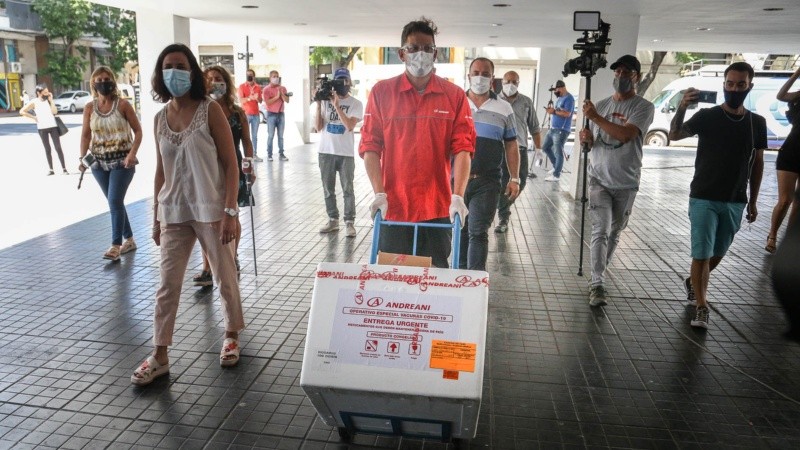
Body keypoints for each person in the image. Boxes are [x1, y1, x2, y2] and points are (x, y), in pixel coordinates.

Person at [131, 43, 244, 386]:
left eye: (180, 65)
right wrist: (154, 216)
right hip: (173, 211)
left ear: (192, 71)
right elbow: (160, 171)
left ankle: (231, 334)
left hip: (211, 210)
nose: (174, 72)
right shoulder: (158, 118)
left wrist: (230, 212)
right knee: (168, 285)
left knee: (225, 277)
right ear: (160, 74)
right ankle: (160, 354)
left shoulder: (210, 111)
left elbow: (231, 164)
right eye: (168, 66)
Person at [359, 17, 475, 268]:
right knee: (393, 274)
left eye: (427, 48)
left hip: (437, 206)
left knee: (435, 277)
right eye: (413, 48)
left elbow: (464, 148)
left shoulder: (454, 96)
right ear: (401, 54)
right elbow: (370, 146)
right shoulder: (382, 93)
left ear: (436, 53)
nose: (420, 54)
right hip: (394, 206)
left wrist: (458, 196)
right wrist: (379, 192)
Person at [668, 61, 766, 329]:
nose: (734, 89)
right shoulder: (708, 116)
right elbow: (675, 134)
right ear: (724, 85)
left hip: (735, 199)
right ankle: (702, 306)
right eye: (730, 84)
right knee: (701, 253)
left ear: (749, 86)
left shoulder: (756, 123)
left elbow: (757, 163)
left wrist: (753, 200)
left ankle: (693, 282)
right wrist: (682, 106)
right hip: (703, 196)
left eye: (740, 85)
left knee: (717, 253)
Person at [579, 54, 655, 307]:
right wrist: (586, 138)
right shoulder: (599, 105)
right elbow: (594, 141)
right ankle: (598, 281)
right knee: (600, 229)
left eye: (627, 72)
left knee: (614, 232)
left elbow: (626, 135)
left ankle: (597, 273)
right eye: (617, 72)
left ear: (636, 77)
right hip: (598, 178)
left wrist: (596, 117)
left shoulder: (643, 107)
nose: (621, 76)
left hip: (626, 180)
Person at [191, 65, 258, 287]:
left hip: (233, 167)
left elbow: (247, 140)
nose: (213, 83)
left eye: (218, 79)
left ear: (226, 83)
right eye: (208, 79)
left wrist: (249, 163)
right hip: (207, 170)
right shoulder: (199, 110)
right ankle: (207, 267)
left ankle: (232, 257)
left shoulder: (237, 111)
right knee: (205, 218)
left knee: (232, 215)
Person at [78, 66, 143, 261]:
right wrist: (82, 158)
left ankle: (116, 245)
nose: (103, 82)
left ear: (112, 82)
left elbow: (138, 131)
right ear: (93, 83)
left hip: (122, 162)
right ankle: (129, 240)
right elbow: (85, 135)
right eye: (99, 79)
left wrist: (132, 154)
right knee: (115, 202)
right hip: (98, 163)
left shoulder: (123, 105)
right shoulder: (90, 108)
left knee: (114, 201)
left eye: (107, 78)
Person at [460, 57, 519, 270]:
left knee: (477, 231)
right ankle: (459, 280)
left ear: (493, 78)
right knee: (460, 231)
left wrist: (514, 178)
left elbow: (512, 145)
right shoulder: (457, 103)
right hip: (456, 180)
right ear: (468, 76)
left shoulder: (504, 108)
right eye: (476, 73)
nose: (480, 77)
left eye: (485, 74)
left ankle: (474, 283)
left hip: (487, 181)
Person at [314, 68, 364, 238]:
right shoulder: (326, 101)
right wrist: (319, 102)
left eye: (345, 81)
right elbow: (318, 127)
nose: (343, 84)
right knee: (328, 189)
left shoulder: (356, 104)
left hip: (346, 153)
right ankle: (332, 220)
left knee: (348, 189)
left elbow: (350, 126)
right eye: (339, 81)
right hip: (325, 152)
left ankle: (349, 222)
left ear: (349, 82)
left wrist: (336, 105)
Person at [496, 70, 542, 233]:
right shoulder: (494, 101)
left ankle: (502, 206)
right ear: (502, 82)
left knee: (519, 181)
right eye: (508, 81)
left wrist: (538, 149)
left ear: (518, 83)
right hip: (499, 148)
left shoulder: (526, 102)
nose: (511, 85)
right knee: (502, 183)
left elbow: (535, 127)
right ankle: (503, 216)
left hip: (520, 149)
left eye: (514, 82)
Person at [765, 66, 800, 253]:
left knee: (798, 202)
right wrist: (796, 74)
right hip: (792, 151)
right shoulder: (798, 96)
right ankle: (772, 235)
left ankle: (789, 241)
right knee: (785, 200)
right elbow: (781, 95)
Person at [20, 84, 68, 175]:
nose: (47, 93)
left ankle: (64, 169)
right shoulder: (34, 102)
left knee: (58, 147)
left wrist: (51, 101)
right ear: (39, 93)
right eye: (45, 92)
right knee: (47, 149)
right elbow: (22, 111)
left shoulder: (49, 100)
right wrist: (34, 117)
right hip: (42, 128)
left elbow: (55, 112)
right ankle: (51, 170)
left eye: (47, 91)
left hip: (53, 126)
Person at [542, 80, 574, 182]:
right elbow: (557, 111)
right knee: (545, 147)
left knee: (558, 153)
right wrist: (552, 111)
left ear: (561, 87)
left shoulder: (569, 99)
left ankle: (556, 175)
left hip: (561, 130)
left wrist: (554, 111)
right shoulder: (560, 98)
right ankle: (556, 166)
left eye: (556, 89)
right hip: (553, 129)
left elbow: (567, 114)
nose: (555, 91)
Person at [262, 70, 290, 161]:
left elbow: (287, 100)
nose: (276, 78)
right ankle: (269, 154)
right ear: (270, 78)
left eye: (277, 76)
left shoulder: (283, 88)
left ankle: (281, 154)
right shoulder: (266, 89)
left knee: (281, 136)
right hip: (271, 115)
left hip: (281, 114)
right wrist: (277, 97)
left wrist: (282, 94)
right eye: (274, 76)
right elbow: (267, 102)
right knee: (270, 135)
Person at [237, 68, 263, 161]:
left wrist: (257, 98)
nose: (249, 76)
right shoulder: (241, 86)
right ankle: (246, 156)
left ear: (253, 76)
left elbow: (261, 101)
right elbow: (240, 100)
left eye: (251, 74)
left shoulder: (258, 87)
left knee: (255, 135)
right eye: (247, 74)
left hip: (256, 114)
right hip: (246, 114)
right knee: (245, 135)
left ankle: (254, 154)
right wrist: (249, 98)